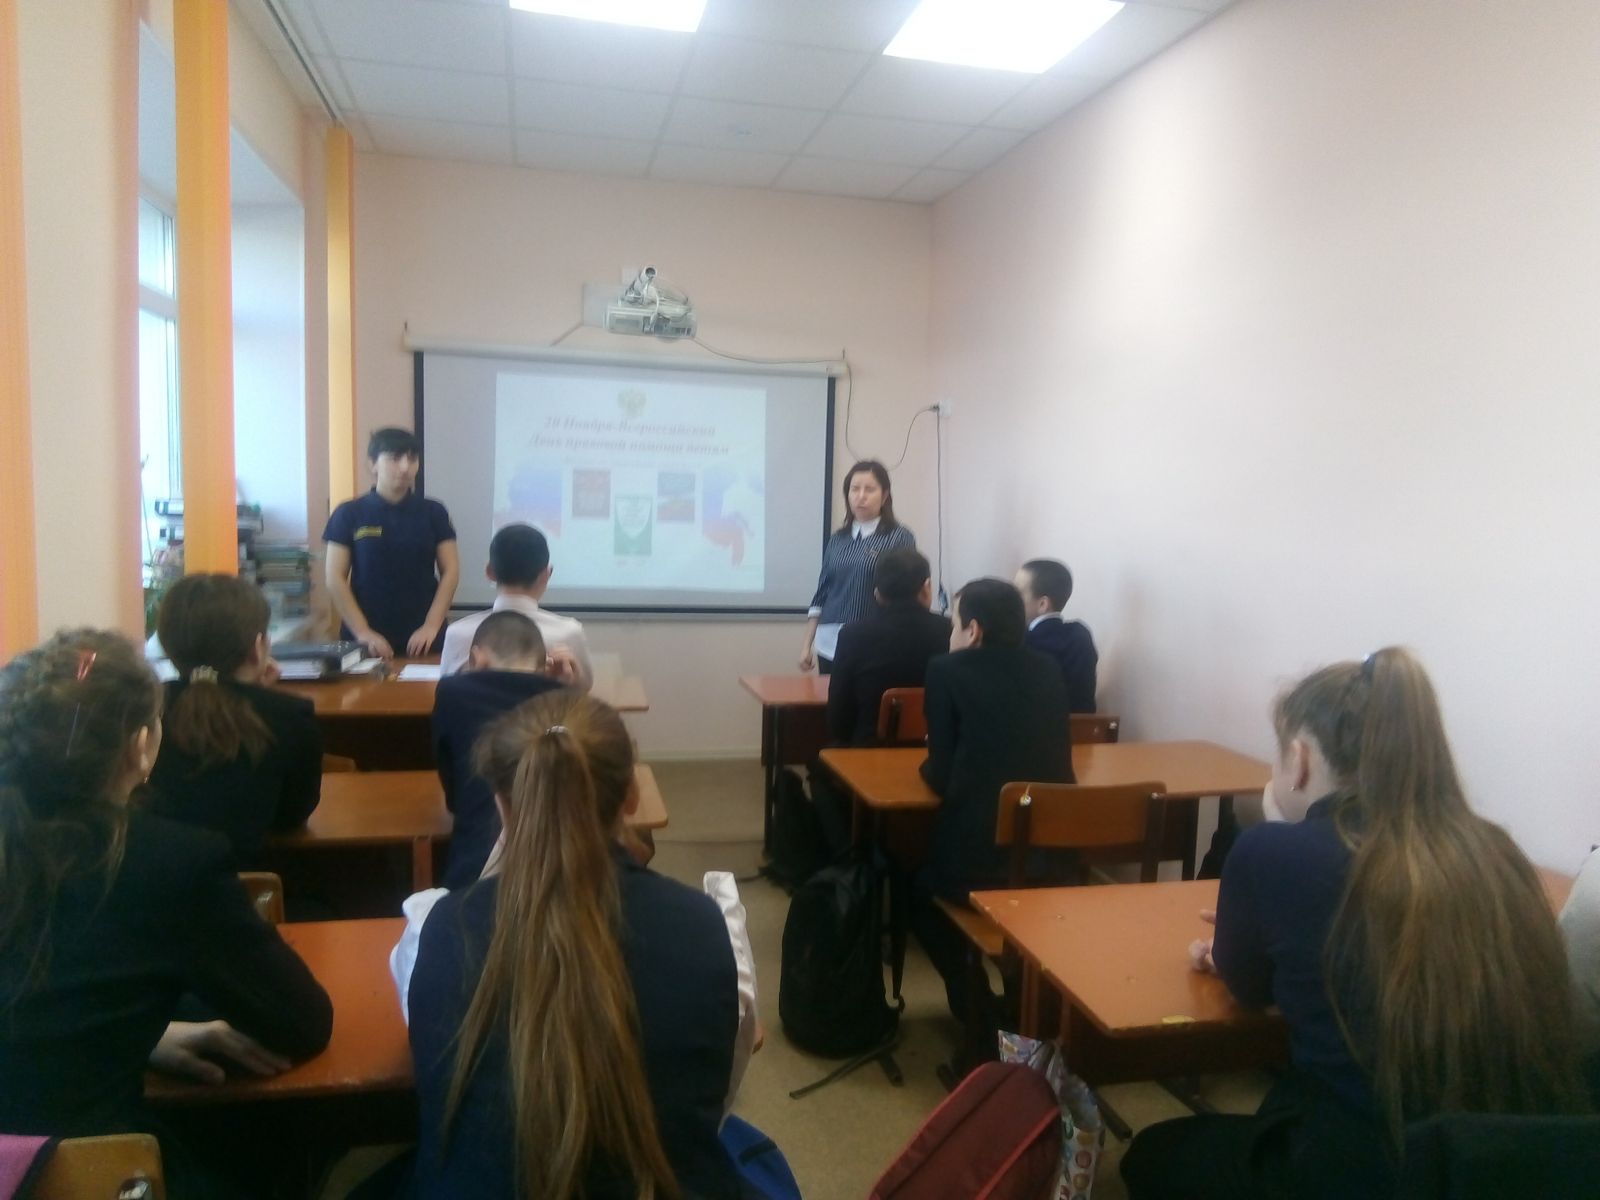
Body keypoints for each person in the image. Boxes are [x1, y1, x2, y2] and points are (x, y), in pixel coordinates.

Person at [1122, 648, 1591, 1199]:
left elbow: (1249, 988)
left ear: (1298, 759)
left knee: (1153, 1152)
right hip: (1510, 1165)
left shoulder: (1273, 851)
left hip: (1360, 1169)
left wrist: (1272, 849)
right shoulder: (1495, 851)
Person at [0, 630, 332, 1192]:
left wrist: (149, 1036)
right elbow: (303, 1023)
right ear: (142, 746)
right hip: (78, 1178)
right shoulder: (169, 863)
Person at [399, 691, 749, 1198]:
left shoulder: (445, 927)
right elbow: (714, 1097)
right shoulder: (700, 924)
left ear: (503, 806)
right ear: (632, 796)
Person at [913, 578, 1072, 1023]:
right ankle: (1023, 1003)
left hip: (978, 868)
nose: (951, 633)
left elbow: (941, 775)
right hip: (1053, 865)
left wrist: (926, 767)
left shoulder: (945, 670)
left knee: (915, 891)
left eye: (954, 624)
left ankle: (976, 1011)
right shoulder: (1048, 669)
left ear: (974, 630)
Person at [147, 573, 322, 865]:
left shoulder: (145, 711)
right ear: (258, 648)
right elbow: (292, 817)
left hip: (156, 884)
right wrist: (260, 696)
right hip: (252, 883)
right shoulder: (291, 718)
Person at [431, 611, 567, 889]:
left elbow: (450, 781)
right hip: (561, 864)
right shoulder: (564, 698)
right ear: (544, 665)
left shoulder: (452, 692)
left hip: (475, 865)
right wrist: (562, 685)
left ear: (476, 659)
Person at [324, 427, 460, 659]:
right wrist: (363, 632)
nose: (405, 467)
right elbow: (334, 577)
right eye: (395, 458)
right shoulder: (349, 513)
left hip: (424, 638)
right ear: (373, 464)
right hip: (365, 638)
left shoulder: (433, 512)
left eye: (412, 459)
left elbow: (451, 571)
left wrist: (431, 626)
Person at [438, 522, 592, 689]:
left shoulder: (457, 633)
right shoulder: (569, 633)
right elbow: (583, 689)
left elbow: (446, 692)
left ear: (490, 572)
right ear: (546, 575)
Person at [826, 547, 951, 747]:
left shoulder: (853, 635)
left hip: (867, 752)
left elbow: (839, 720)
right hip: (934, 750)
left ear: (877, 593)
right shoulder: (949, 631)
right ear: (927, 587)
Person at [800, 460, 916, 674]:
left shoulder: (899, 537)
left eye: (869, 489)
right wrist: (807, 645)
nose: (861, 496)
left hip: (877, 641)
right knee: (831, 696)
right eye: (854, 489)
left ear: (884, 495)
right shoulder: (837, 539)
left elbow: (906, 594)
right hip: (830, 641)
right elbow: (822, 593)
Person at [1015, 557, 1098, 713]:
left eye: (1018, 593)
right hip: (1082, 726)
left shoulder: (1023, 640)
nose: (1012, 600)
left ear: (1042, 604)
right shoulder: (1080, 635)